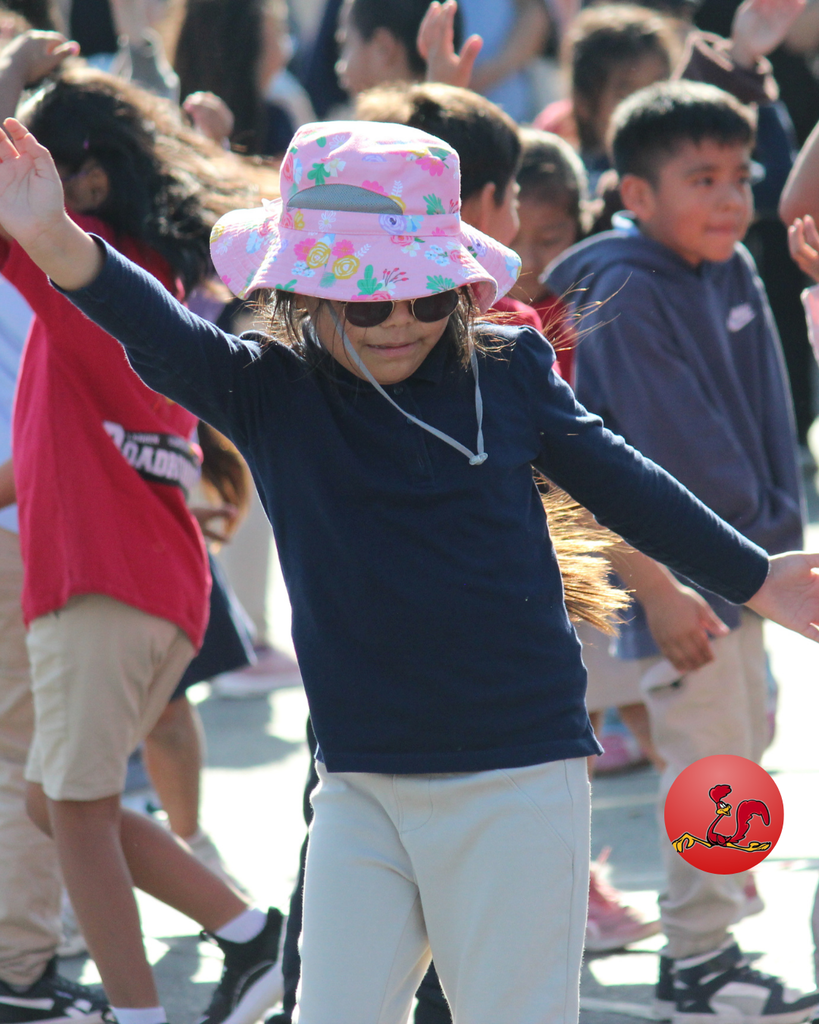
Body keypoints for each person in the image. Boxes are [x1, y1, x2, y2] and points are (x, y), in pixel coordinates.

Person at [4, 112, 819, 1024]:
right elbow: (150, 325)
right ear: (304, 293)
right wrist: (50, 235)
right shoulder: (267, 389)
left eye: (428, 297)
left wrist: (756, 577)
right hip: (359, 782)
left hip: (519, 775)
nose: (400, 320)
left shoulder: (507, 366)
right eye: (366, 299)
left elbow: (623, 481)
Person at [0, 40, 284, 1024]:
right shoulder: (143, 281)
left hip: (102, 578)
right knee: (55, 802)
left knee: (71, 809)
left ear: (80, 178)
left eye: (30, 160)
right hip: (136, 579)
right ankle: (252, 940)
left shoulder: (81, 273)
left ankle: (137, 1011)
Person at [547, 79, 814, 1023]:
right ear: (633, 194)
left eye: (739, 175)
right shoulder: (622, 284)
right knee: (714, 766)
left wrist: (776, 535)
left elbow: (772, 411)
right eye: (700, 178)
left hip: (741, 570)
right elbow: (668, 448)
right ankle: (699, 958)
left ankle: (707, 923)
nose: (731, 198)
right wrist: (727, 563)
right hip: (670, 579)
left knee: (736, 748)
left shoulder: (731, 265)